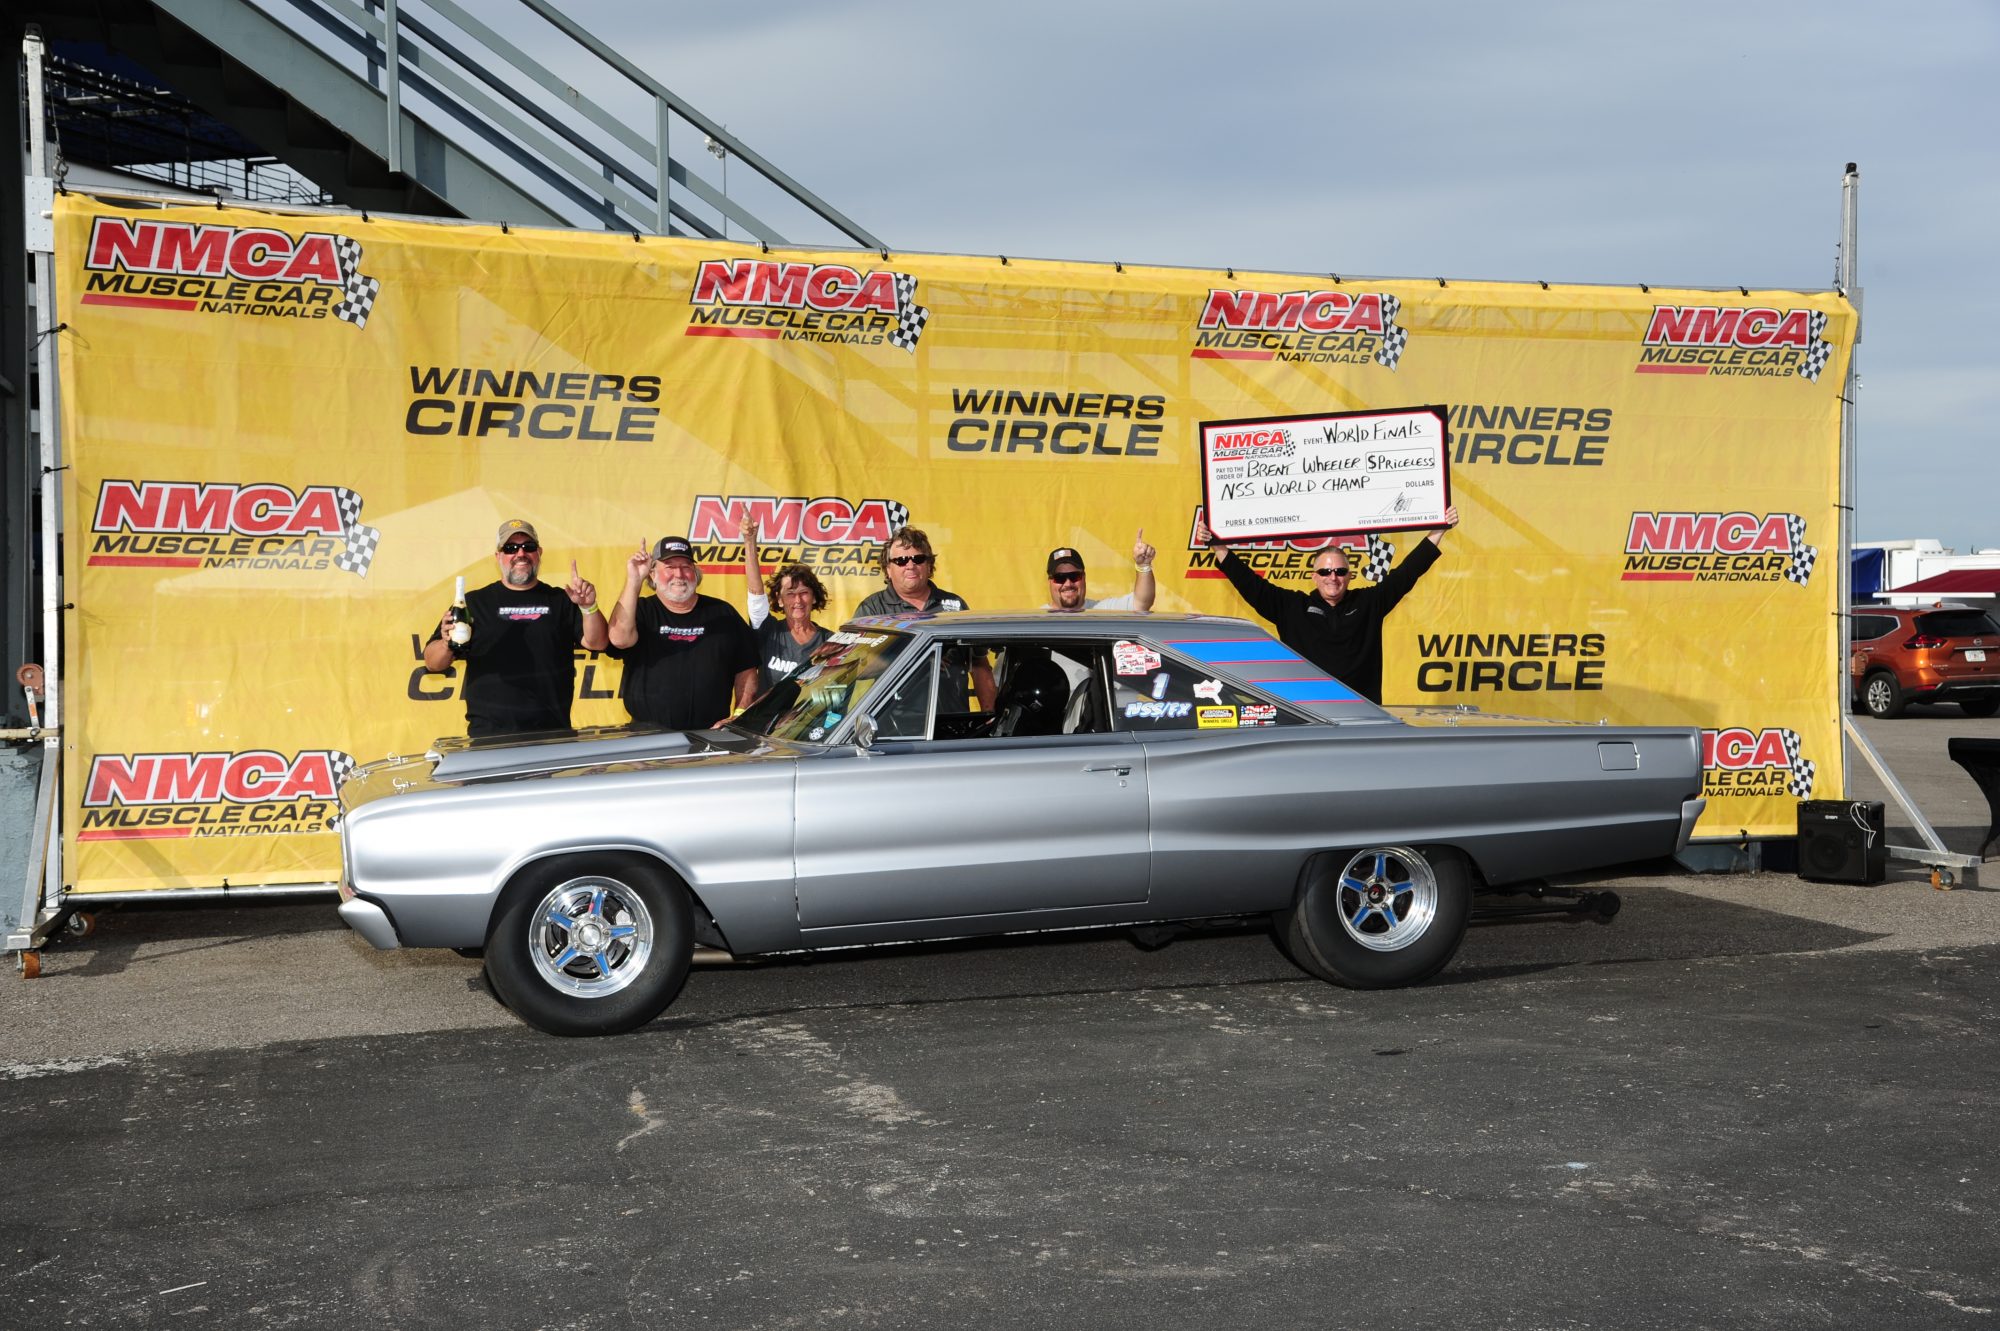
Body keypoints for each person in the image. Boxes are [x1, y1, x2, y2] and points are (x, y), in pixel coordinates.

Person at [1194, 506, 1461, 704]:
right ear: (1314, 576)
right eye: (1325, 572)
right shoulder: (1291, 607)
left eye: (1340, 571)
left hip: (1363, 713)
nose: (1332, 577)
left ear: (1349, 575)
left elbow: (1407, 573)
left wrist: (1438, 531)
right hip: (1307, 712)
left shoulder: (1369, 603)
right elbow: (1250, 584)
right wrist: (1219, 547)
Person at [422, 518, 609, 738]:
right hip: (489, 737)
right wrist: (446, 642)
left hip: (553, 734)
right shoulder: (474, 603)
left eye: (527, 547)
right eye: (510, 548)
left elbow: (597, 642)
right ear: (498, 556)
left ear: (538, 552)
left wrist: (589, 607)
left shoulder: (560, 600)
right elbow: (433, 663)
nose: (520, 554)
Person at [607, 535, 760, 729]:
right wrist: (634, 580)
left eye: (686, 566)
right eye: (669, 566)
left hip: (710, 739)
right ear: (652, 574)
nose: (679, 574)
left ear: (695, 573)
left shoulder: (724, 614)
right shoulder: (641, 611)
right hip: (646, 740)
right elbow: (619, 639)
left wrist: (739, 715)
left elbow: (747, 670)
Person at [855, 524, 997, 711]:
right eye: (901, 561)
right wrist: (922, 659)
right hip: (892, 728)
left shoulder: (955, 606)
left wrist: (990, 716)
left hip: (950, 725)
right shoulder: (872, 609)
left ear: (929, 565)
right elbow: (860, 668)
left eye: (918, 559)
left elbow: (979, 665)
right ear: (888, 569)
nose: (910, 565)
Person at [740, 516, 832, 692]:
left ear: (814, 597)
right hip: (767, 720)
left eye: (804, 593)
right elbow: (756, 594)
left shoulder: (829, 641)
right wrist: (750, 542)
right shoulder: (769, 631)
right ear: (780, 600)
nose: (798, 601)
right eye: (790, 594)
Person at [1042, 530, 1158, 611]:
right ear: (1050, 582)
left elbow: (1141, 603)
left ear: (1084, 578)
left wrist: (1143, 565)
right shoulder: (1037, 621)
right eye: (1060, 578)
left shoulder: (1103, 612)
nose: (1068, 583)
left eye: (1074, 576)